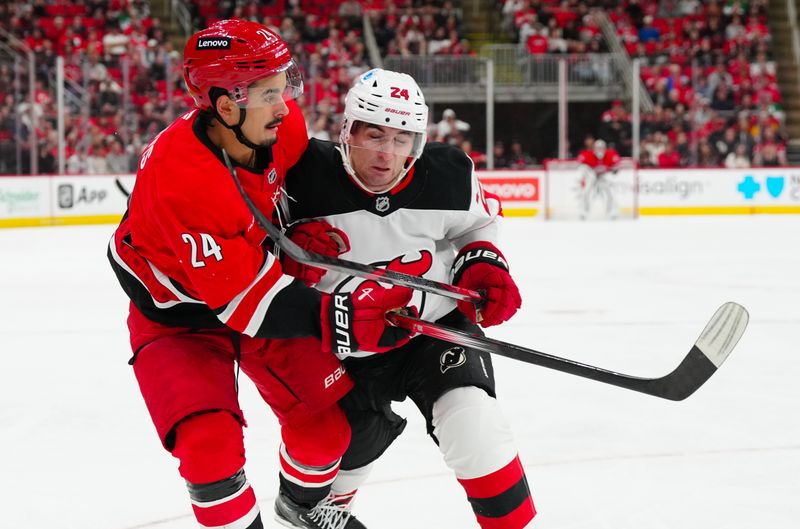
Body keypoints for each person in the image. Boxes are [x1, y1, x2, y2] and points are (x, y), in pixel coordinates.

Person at [106, 21, 413, 529]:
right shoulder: (181, 177)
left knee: (326, 433)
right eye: (271, 93)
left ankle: (301, 504)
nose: (285, 103)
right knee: (210, 450)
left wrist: (303, 227)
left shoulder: (277, 126)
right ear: (225, 105)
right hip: (178, 319)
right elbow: (247, 304)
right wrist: (344, 315)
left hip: (249, 282)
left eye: (284, 85)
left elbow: (303, 182)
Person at [277, 68, 536, 529]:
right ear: (347, 131)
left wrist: (481, 259)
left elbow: (478, 225)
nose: (386, 154)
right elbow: (249, 252)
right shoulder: (303, 176)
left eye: (402, 139)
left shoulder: (447, 175)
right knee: (347, 453)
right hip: (341, 342)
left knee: (474, 424)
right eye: (374, 135)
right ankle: (322, 503)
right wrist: (291, 249)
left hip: (430, 329)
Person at [576, 138, 622, 219]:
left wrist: (613, 171)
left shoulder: (611, 155)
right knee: (585, 192)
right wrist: (588, 173)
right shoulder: (587, 155)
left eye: (602, 148)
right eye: (597, 148)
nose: (599, 150)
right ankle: (583, 211)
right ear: (593, 148)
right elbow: (580, 165)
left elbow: (616, 167)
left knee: (609, 193)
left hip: (603, 177)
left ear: (605, 148)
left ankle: (612, 211)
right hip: (591, 177)